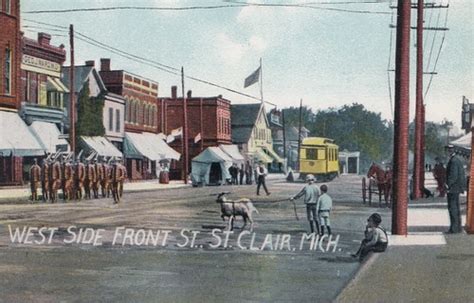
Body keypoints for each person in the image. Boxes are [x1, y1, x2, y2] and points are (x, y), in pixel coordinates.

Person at [445, 144, 466, 233]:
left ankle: (454, 228)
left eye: (447, 150)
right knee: (456, 208)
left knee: (452, 208)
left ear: (450, 151)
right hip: (456, 187)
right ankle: (457, 227)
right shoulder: (457, 160)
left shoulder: (453, 161)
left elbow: (453, 175)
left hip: (453, 188)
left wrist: (448, 184)